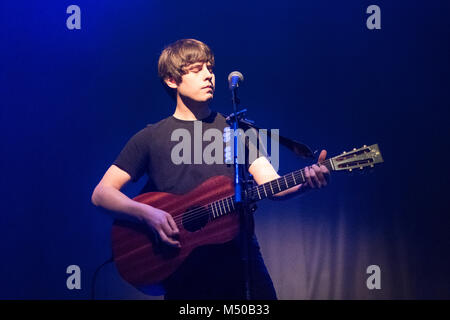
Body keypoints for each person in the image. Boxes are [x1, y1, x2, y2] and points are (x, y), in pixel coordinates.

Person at [91, 38, 330, 300]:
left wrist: (306, 183)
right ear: (172, 80)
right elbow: (102, 193)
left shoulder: (236, 130)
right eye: (197, 69)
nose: (209, 76)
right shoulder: (149, 137)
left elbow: (271, 185)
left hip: (239, 262)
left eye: (210, 68)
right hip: (181, 266)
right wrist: (148, 214)